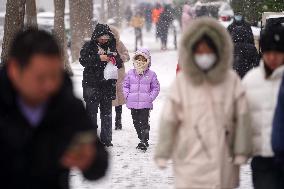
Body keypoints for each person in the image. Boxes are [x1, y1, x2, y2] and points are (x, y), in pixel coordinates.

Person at [0, 29, 108, 189]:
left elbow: (98, 162)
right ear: (15, 70)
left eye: (55, 75)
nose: (50, 85)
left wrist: (91, 160)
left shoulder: (67, 105)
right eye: (40, 77)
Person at [155, 18, 251, 189]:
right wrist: (163, 151)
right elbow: (169, 118)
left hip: (223, 160)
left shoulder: (231, 81)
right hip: (190, 159)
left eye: (208, 51)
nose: (204, 56)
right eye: (200, 52)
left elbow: (242, 117)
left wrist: (241, 149)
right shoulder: (183, 83)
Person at [243, 23, 284, 189]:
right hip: (262, 159)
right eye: (268, 52)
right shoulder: (251, 80)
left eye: (278, 52)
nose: (272, 58)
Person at [79, 23, 123, 147]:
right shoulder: (89, 46)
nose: (104, 39)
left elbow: (119, 63)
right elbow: (83, 61)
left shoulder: (112, 46)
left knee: (107, 114)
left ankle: (107, 140)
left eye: (106, 37)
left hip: (107, 85)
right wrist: (99, 58)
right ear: (96, 36)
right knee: (91, 113)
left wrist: (114, 59)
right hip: (91, 84)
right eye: (101, 37)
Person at [123, 48, 160, 151]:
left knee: (144, 122)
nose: (140, 62)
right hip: (133, 102)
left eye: (143, 59)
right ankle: (141, 138)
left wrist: (150, 97)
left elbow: (155, 88)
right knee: (136, 122)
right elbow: (125, 85)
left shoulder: (151, 74)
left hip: (145, 103)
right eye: (138, 59)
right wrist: (127, 95)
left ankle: (144, 140)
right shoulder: (130, 73)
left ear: (147, 61)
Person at [109, 26, 130, 130]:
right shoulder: (103, 45)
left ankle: (118, 121)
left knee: (119, 98)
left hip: (119, 74)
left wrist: (121, 57)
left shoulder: (120, 44)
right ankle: (108, 121)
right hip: (108, 75)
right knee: (109, 99)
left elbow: (127, 55)